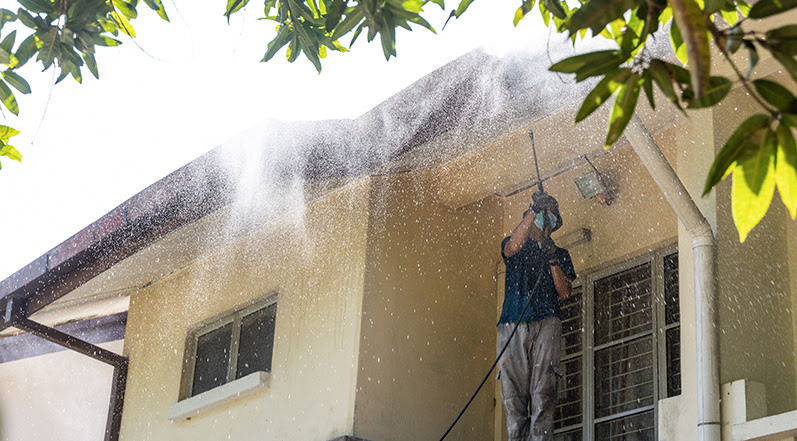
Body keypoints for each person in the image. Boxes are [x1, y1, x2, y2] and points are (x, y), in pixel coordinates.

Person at [498, 191, 576, 441]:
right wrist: (534, 209)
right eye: (541, 217)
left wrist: (552, 258)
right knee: (514, 396)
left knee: (543, 392)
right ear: (527, 219)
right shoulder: (515, 244)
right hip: (513, 323)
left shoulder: (560, 253)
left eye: (549, 219)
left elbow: (564, 292)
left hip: (547, 322)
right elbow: (513, 246)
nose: (545, 224)